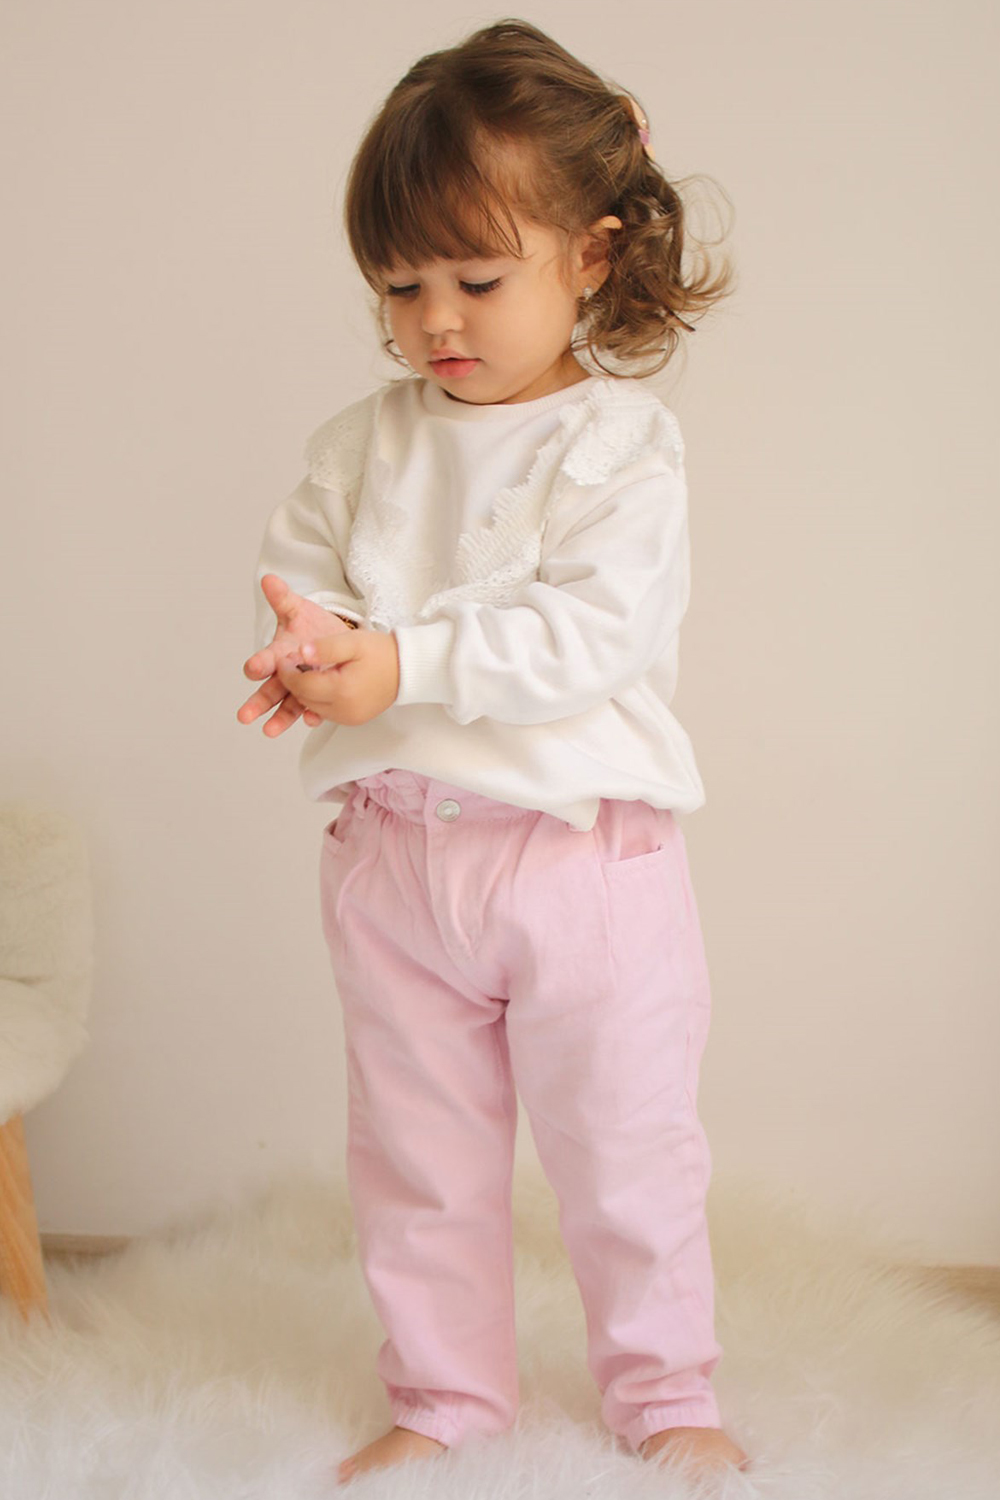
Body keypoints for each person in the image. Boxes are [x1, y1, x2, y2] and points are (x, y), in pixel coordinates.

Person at [237, 17, 748, 1488]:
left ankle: (665, 1393)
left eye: (476, 278)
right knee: (417, 1159)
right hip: (395, 861)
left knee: (627, 1152)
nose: (434, 319)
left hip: (585, 864)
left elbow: (585, 636)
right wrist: (311, 652)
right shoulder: (363, 442)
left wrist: (400, 662)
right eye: (400, 286)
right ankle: (447, 1394)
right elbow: (307, 571)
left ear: (590, 255)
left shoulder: (620, 448)